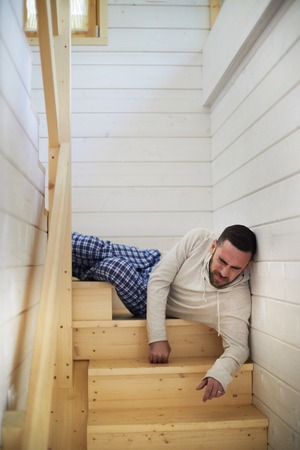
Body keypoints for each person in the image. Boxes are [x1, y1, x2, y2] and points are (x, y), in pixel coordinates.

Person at [72, 225, 256, 402]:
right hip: (153, 262)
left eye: (235, 268)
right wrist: (157, 337)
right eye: (222, 261)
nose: (224, 272)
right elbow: (159, 278)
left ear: (247, 266)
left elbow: (239, 347)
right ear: (213, 246)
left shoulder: (236, 301)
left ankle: (75, 268)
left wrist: (220, 373)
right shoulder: (200, 238)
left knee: (115, 267)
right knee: (90, 247)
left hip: (145, 298)